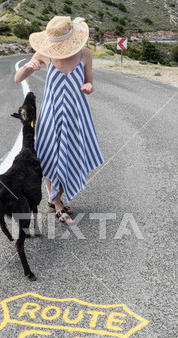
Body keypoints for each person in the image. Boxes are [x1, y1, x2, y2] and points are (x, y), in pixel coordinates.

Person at [14, 16, 104, 225]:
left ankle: (56, 197)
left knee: (71, 154)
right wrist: (29, 66)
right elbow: (18, 78)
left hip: (76, 114)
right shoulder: (45, 53)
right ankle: (57, 203)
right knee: (50, 157)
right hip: (51, 115)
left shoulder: (85, 54)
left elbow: (89, 82)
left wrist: (88, 87)